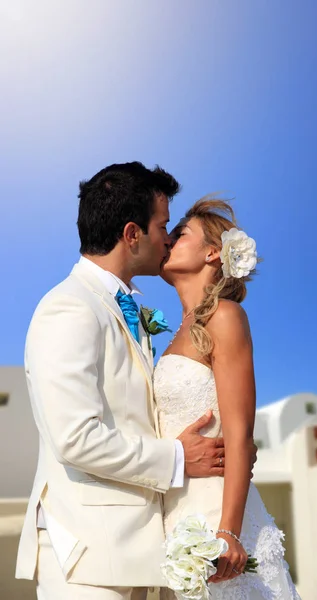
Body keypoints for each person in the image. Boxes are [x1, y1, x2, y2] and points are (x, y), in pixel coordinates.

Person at [16, 163, 249, 600]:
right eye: (164, 226)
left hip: (146, 550)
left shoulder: (135, 311)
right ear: (131, 234)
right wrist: (179, 457)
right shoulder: (69, 306)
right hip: (89, 558)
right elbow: (75, 437)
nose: (167, 237)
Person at [156, 197, 300, 599]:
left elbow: (239, 435)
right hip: (175, 516)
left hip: (218, 520)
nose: (167, 240)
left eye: (179, 233)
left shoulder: (225, 315)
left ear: (212, 253)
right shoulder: (172, 336)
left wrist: (228, 532)